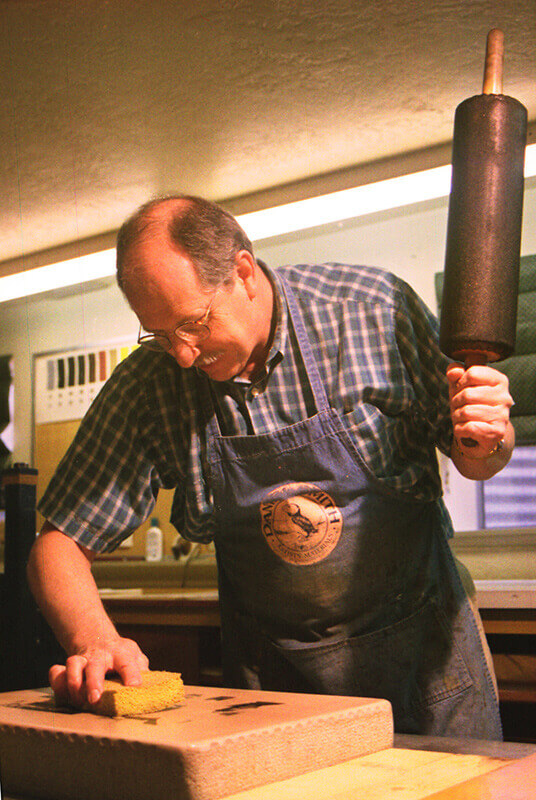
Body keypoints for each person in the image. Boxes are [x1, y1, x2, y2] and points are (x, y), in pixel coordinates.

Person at [28, 194, 514, 738]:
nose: (184, 354)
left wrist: (490, 436)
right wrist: (95, 640)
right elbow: (58, 544)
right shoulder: (151, 384)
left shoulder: (373, 308)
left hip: (424, 666)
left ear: (243, 271)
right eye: (160, 336)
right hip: (274, 688)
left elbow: (478, 458)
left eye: (193, 324)